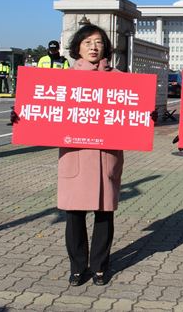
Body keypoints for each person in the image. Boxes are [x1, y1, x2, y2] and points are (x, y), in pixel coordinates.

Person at [58, 25, 122, 287]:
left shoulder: (119, 77)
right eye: (88, 42)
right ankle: (77, 267)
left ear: (105, 47)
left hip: (106, 155)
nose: (94, 47)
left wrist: (146, 116)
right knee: (74, 215)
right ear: (77, 48)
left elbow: (133, 113)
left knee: (104, 213)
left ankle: (99, 267)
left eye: (98, 42)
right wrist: (21, 116)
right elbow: (45, 113)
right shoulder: (63, 79)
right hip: (75, 155)